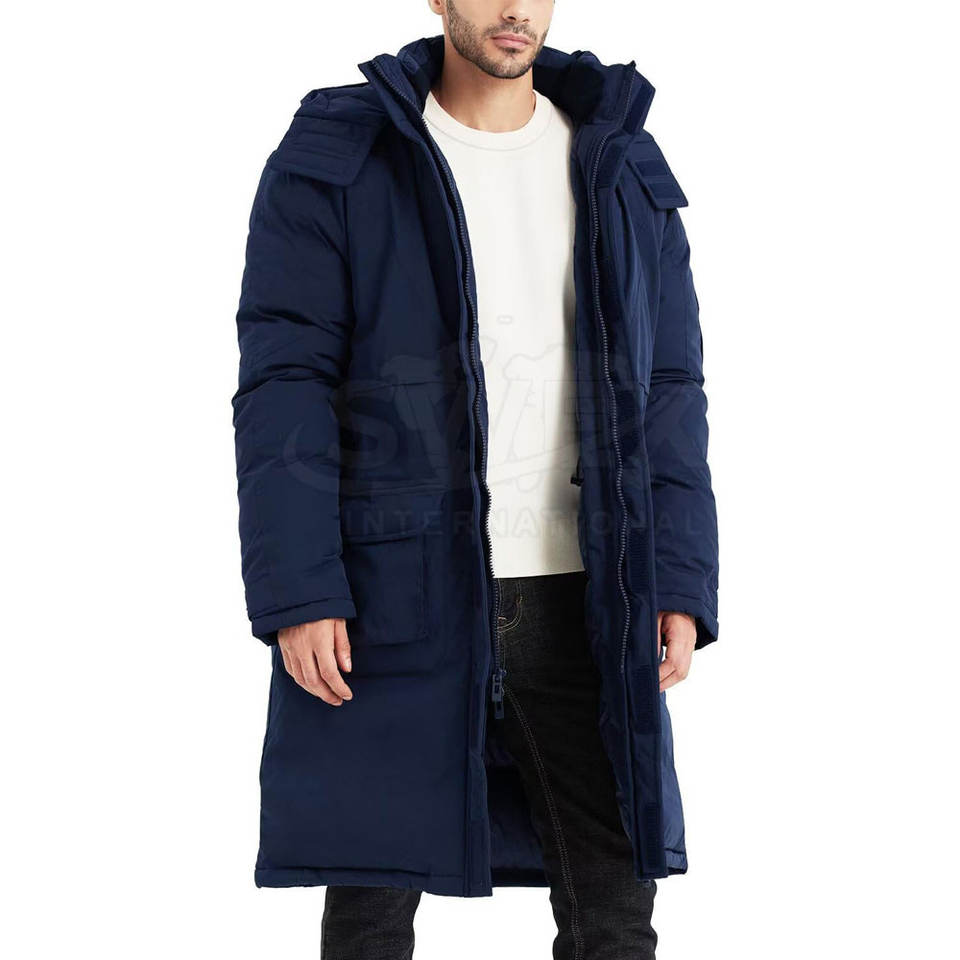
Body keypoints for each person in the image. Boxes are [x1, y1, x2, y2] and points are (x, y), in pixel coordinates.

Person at [232, 2, 719, 957]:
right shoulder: (343, 155)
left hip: (587, 599)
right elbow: (286, 385)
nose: (515, 9)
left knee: (615, 915)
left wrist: (680, 577)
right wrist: (301, 590)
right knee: (371, 915)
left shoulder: (618, 157)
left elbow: (670, 387)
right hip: (393, 595)